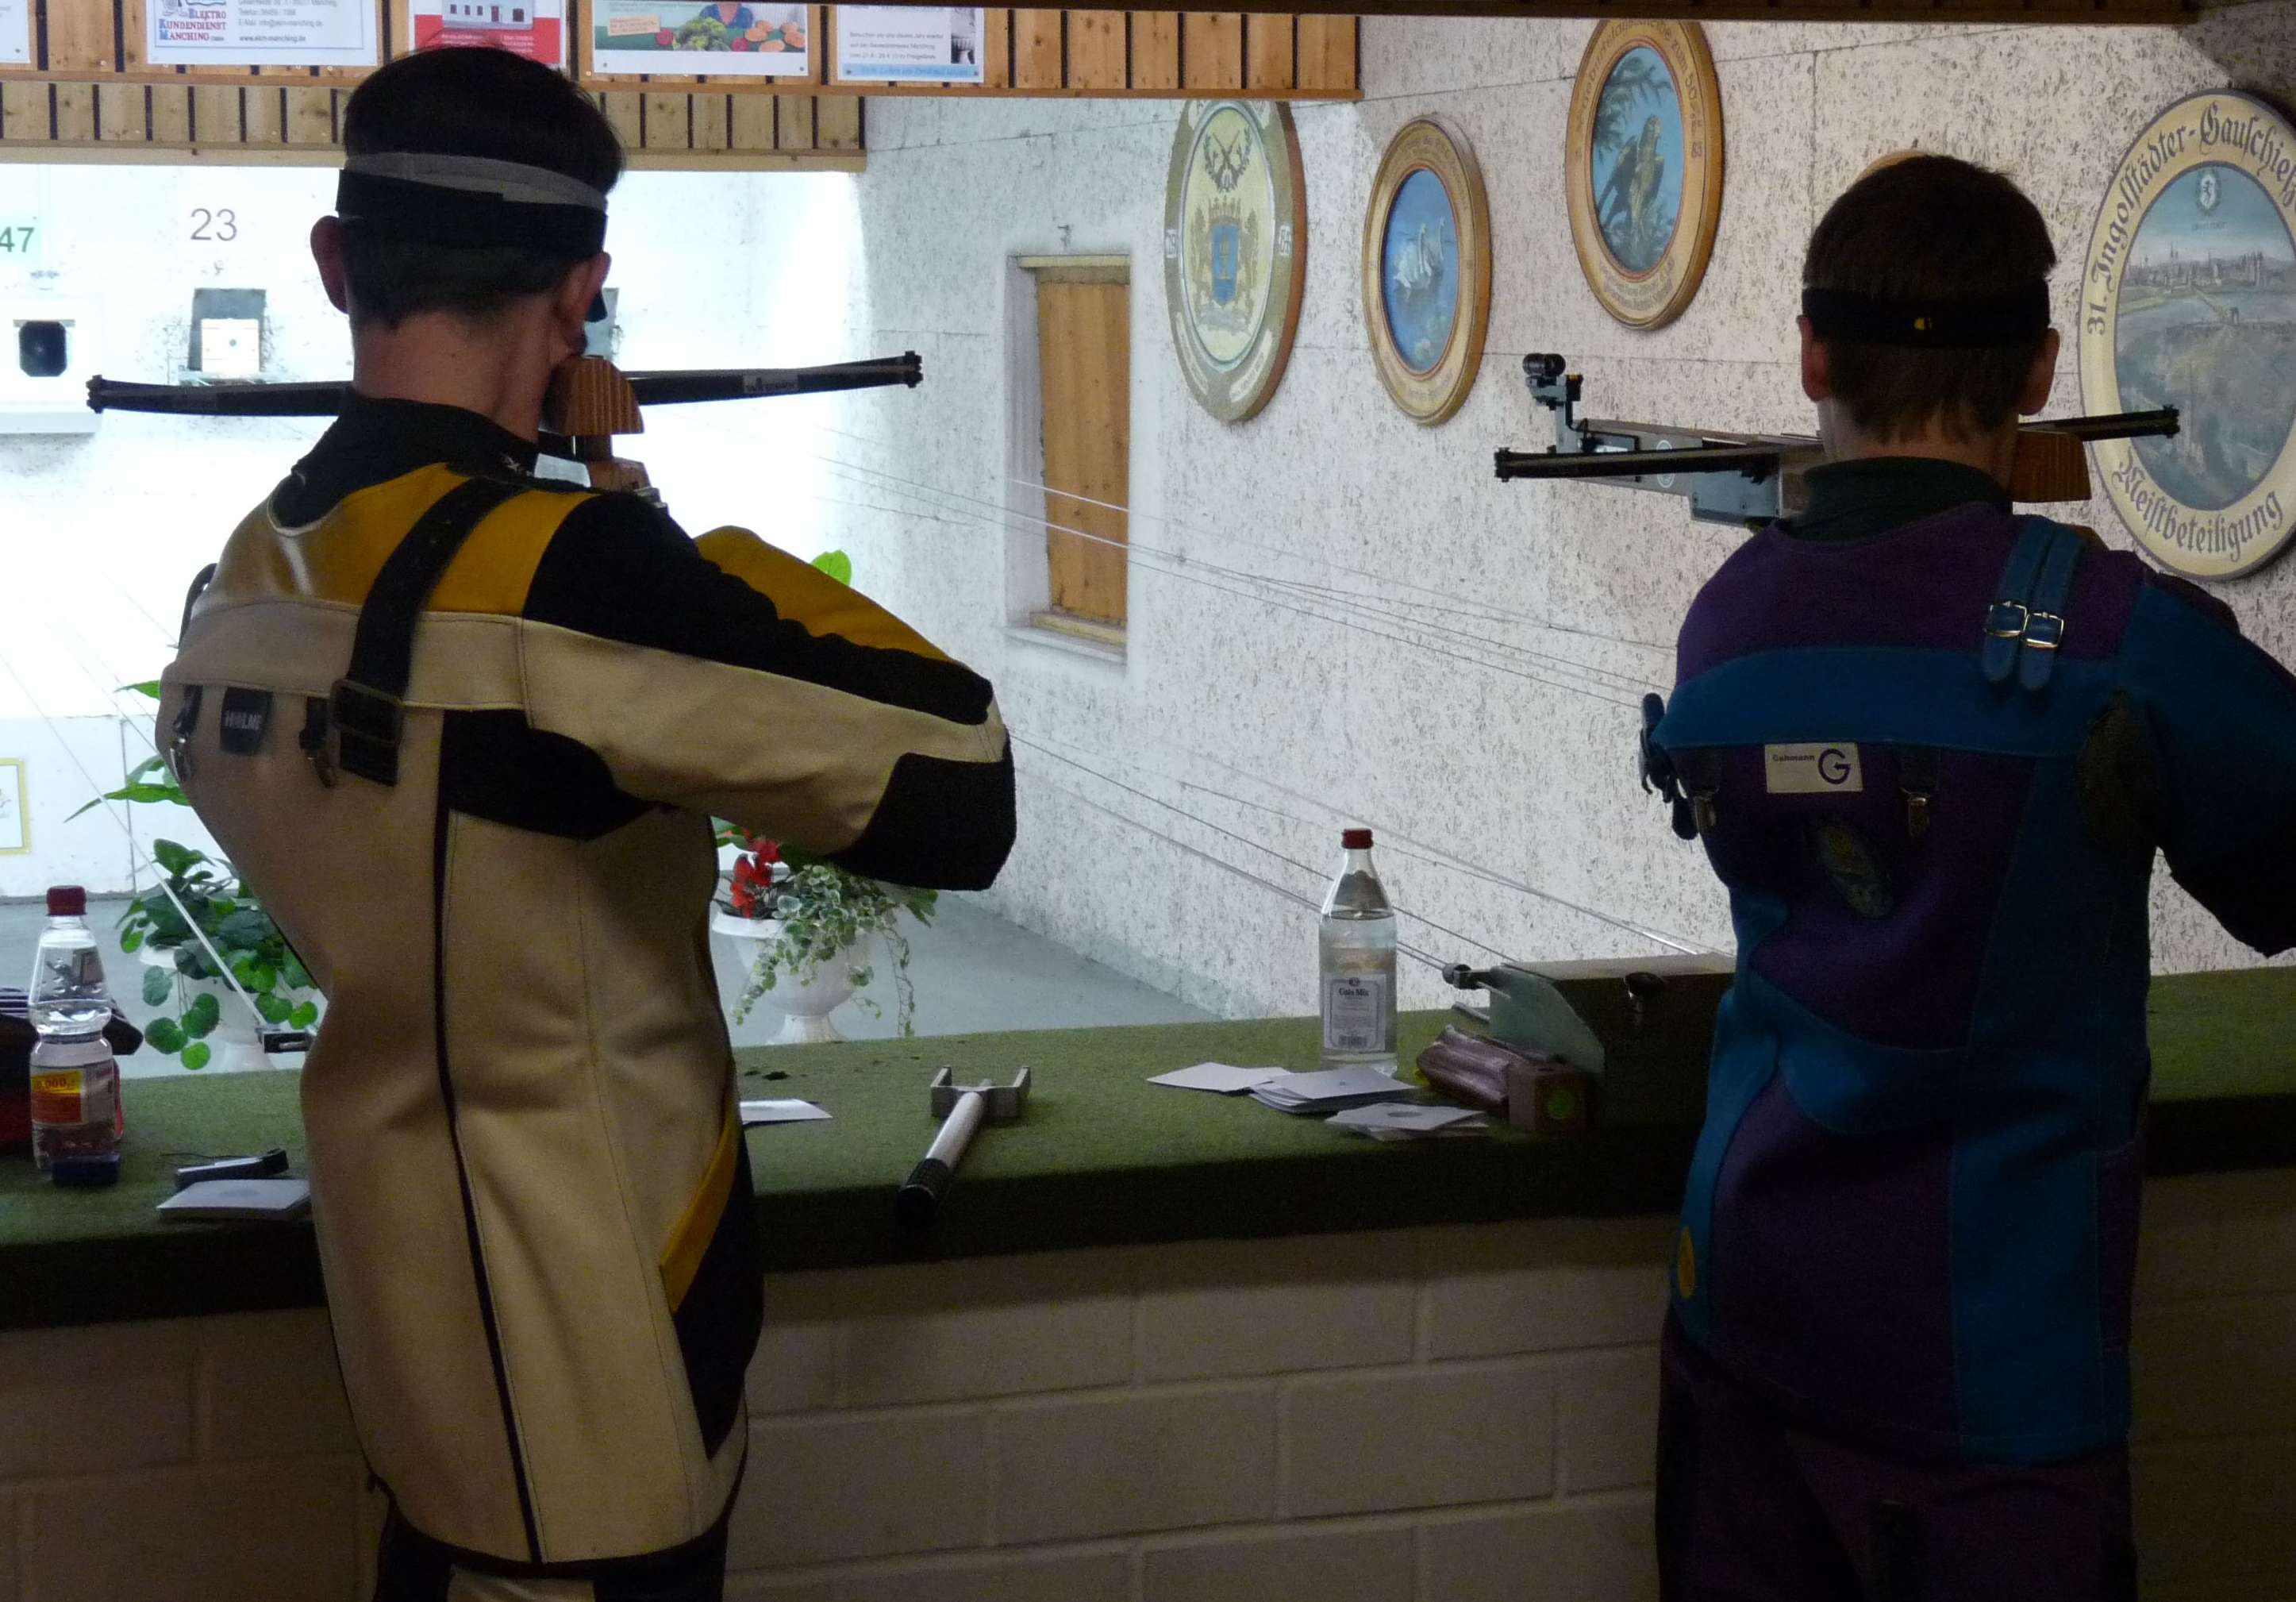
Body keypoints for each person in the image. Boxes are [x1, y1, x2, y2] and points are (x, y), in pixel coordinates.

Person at [157, 46, 1014, 1602]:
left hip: (407, 1325)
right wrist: (645, 522)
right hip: (589, 1353)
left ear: (338, 263)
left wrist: (572, 502)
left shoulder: (253, 565)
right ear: (580, 296)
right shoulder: (570, 572)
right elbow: (959, 776)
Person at [1644, 154, 2296, 1600]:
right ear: (2041, 369)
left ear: (1811, 356)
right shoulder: (2111, 636)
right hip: (1992, 1385)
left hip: (1742, 1328)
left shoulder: (1723, 625)